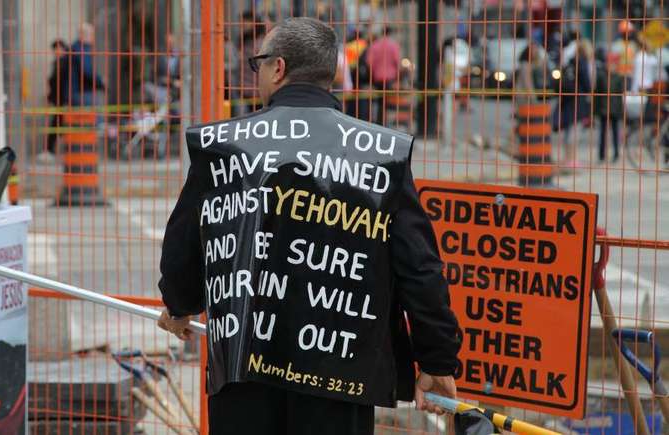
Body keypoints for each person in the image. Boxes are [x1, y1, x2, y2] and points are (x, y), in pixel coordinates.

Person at [157, 17, 460, 435]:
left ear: (277, 67)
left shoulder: (225, 147)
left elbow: (185, 245)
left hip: (244, 370)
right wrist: (437, 360)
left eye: (258, 63)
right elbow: (421, 269)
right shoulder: (378, 156)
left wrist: (179, 303)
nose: (256, 73)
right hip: (339, 378)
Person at [554, 39, 594, 168]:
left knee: (568, 129)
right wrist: (590, 91)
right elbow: (587, 83)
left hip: (567, 98)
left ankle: (567, 158)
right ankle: (572, 160)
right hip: (578, 99)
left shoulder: (570, 62)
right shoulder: (582, 62)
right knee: (575, 129)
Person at [594, 53, 627, 163]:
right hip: (603, 108)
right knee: (602, 133)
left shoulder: (619, 77)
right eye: (609, 63)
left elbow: (621, 94)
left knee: (615, 132)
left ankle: (616, 154)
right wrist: (595, 110)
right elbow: (597, 94)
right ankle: (601, 155)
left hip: (615, 108)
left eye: (613, 64)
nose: (611, 66)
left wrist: (621, 110)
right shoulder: (601, 76)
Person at [41, 39, 69, 163]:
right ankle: (49, 150)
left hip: (64, 100)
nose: (56, 51)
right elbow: (53, 83)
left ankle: (49, 150)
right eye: (55, 49)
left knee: (58, 125)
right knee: (58, 125)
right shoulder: (57, 63)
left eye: (58, 48)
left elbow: (63, 83)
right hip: (58, 100)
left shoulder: (66, 63)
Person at [365, 27, 401, 125]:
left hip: (377, 78)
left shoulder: (374, 45)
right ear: (390, 33)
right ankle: (387, 124)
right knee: (388, 102)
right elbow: (397, 62)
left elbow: (369, 63)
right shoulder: (394, 45)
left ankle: (378, 122)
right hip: (390, 79)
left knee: (378, 102)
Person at [68, 23, 105, 107]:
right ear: (82, 35)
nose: (93, 38)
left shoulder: (75, 47)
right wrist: (101, 82)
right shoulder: (82, 49)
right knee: (97, 114)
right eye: (91, 34)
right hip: (83, 93)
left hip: (75, 92)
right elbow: (87, 70)